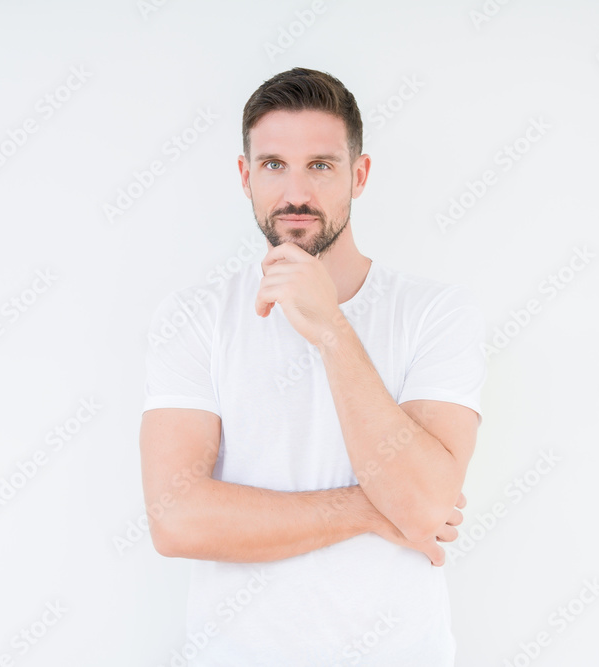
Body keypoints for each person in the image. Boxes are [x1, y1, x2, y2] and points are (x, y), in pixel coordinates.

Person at [139, 67, 487, 666]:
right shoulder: (196, 316)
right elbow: (176, 520)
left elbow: (427, 507)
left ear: (359, 174)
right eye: (274, 164)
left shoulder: (436, 312)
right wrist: (365, 509)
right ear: (246, 176)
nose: (295, 192)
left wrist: (330, 329)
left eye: (320, 166)